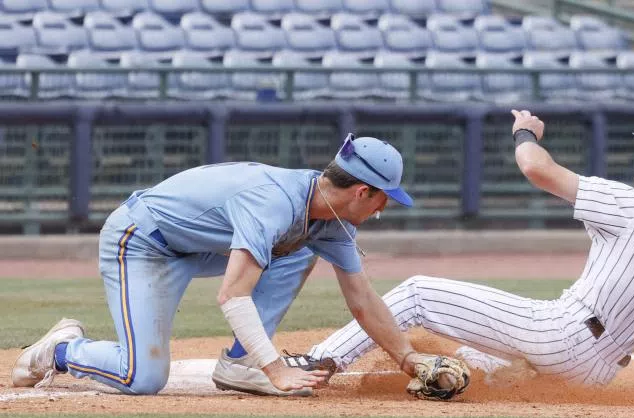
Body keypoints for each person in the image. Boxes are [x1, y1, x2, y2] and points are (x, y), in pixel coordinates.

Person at [298, 111, 634, 401]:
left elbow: (537, 169)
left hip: (562, 334)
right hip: (596, 373)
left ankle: (317, 362)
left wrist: (525, 132)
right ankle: (451, 380)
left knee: (417, 292)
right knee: (479, 361)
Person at [11, 134, 455, 397]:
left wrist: (408, 358)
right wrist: (276, 369)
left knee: (299, 248)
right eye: (384, 199)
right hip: (143, 241)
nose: (383, 209)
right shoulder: (274, 203)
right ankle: (61, 350)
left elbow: (362, 297)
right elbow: (233, 294)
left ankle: (241, 364)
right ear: (361, 192)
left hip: (199, 245)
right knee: (141, 376)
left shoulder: (328, 220)